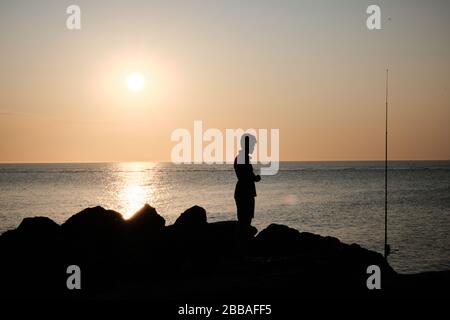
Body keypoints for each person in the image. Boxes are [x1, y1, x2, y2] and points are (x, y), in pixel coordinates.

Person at [234, 134, 261, 226]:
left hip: (245, 191)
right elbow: (245, 175)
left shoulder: (242, 158)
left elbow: (246, 174)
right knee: (245, 220)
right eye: (252, 145)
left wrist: (254, 177)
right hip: (244, 192)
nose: (253, 147)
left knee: (245, 219)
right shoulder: (242, 158)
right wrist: (255, 178)